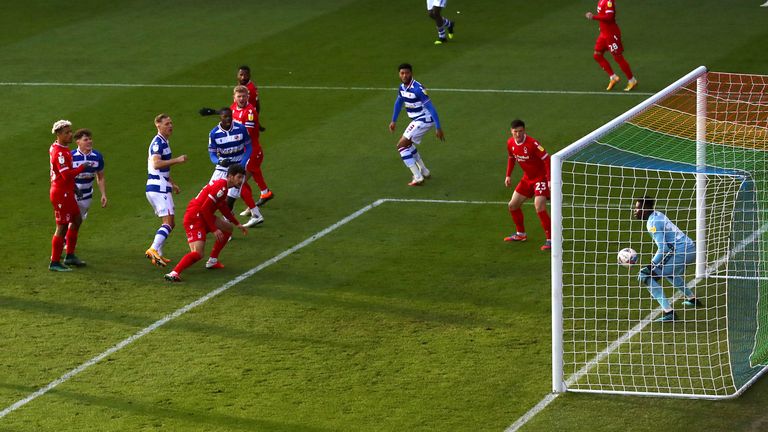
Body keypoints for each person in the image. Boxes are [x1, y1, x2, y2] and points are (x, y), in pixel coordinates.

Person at [164, 164, 249, 282]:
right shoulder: (221, 187)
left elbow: (223, 207)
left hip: (202, 215)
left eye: (242, 178)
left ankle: (212, 261)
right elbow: (204, 209)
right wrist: (214, 229)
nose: (241, 180)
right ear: (230, 176)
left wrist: (237, 223)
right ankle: (174, 273)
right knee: (198, 253)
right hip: (195, 216)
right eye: (239, 177)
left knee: (228, 228)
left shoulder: (224, 187)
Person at [634, 197, 703, 322]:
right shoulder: (657, 215)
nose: (635, 211)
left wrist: (650, 266)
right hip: (689, 248)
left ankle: (669, 313)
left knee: (646, 276)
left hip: (682, 252)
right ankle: (692, 299)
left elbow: (663, 248)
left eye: (638, 208)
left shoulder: (652, 223)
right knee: (669, 272)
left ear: (645, 209)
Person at [48, 120, 95, 271]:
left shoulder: (61, 147)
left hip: (67, 191)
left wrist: (74, 188)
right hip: (61, 193)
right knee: (61, 226)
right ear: (59, 134)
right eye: (67, 133)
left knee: (77, 219)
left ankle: (70, 256)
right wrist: (82, 167)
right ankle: (55, 262)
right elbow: (66, 175)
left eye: (70, 131)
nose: (70, 135)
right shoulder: (60, 153)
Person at [389, 63, 444, 186]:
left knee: (401, 146)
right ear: (399, 74)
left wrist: (438, 127)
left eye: (407, 73)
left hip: (424, 119)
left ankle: (418, 177)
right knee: (408, 145)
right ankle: (424, 171)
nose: (404, 75)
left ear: (411, 73)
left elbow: (431, 107)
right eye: (402, 73)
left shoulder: (417, 89)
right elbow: (398, 103)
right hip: (417, 120)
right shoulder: (402, 88)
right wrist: (394, 120)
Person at [208, 107, 263, 227]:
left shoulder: (241, 129)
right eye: (225, 117)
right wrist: (218, 161)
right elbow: (212, 153)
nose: (228, 119)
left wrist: (242, 164)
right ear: (220, 118)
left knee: (230, 198)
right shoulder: (214, 134)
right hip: (222, 168)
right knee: (211, 193)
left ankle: (226, 226)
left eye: (230, 116)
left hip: (238, 167)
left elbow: (249, 147)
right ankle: (205, 217)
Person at [145, 114, 188, 267]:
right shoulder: (158, 143)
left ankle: (159, 254)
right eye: (167, 124)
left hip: (159, 185)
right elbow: (156, 164)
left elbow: (159, 168)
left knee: (170, 222)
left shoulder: (164, 142)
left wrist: (172, 183)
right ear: (158, 125)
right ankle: (153, 249)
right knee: (168, 222)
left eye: (171, 123)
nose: (170, 126)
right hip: (158, 188)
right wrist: (177, 160)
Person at [503, 119, 552, 251]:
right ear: (511, 132)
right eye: (515, 132)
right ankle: (520, 234)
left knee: (539, 206)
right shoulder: (510, 143)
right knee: (513, 205)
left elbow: (547, 159)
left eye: (520, 131)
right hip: (527, 179)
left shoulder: (533, 144)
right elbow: (511, 158)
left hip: (540, 178)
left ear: (524, 131)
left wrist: (549, 180)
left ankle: (551, 239)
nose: (518, 134)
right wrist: (508, 175)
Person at [231, 85, 274, 211]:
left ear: (248, 97)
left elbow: (246, 134)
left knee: (239, 181)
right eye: (239, 96)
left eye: (244, 96)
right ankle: (265, 193)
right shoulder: (233, 108)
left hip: (252, 151)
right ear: (234, 98)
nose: (242, 99)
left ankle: (251, 210)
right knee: (253, 172)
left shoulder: (250, 112)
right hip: (244, 151)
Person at [585, 0, 637, 92]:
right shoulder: (601, 1)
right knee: (597, 55)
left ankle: (632, 80)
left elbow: (609, 17)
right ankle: (613, 77)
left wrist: (594, 17)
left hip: (612, 35)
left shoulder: (609, 2)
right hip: (604, 34)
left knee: (618, 58)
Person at [71, 129, 107, 220]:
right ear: (78, 142)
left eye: (90, 139)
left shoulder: (97, 157)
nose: (89, 141)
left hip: (86, 195)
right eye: (86, 140)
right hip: (71, 194)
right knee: (68, 221)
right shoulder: (71, 156)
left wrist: (103, 194)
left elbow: (101, 177)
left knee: (78, 221)